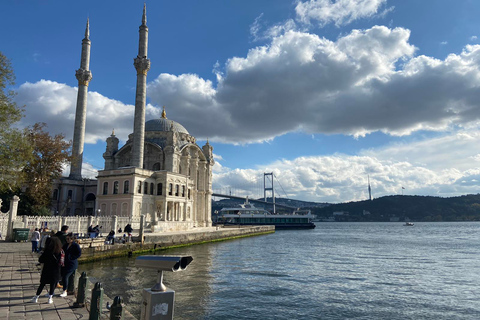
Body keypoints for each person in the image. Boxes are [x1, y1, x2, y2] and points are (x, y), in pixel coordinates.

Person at [31, 236, 63, 304]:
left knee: (42, 284)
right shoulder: (60, 251)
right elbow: (61, 261)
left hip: (47, 269)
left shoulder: (47, 251)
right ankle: (50, 298)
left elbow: (41, 260)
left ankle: (36, 297)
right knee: (53, 284)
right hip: (56, 270)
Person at [59, 233, 81, 297]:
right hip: (65, 263)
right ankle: (65, 289)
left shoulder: (75, 245)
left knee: (66, 276)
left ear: (72, 239)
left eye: (68, 239)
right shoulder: (66, 245)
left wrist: (71, 257)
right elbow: (62, 251)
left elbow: (79, 253)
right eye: (66, 239)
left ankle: (64, 291)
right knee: (63, 276)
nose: (67, 240)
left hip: (72, 264)